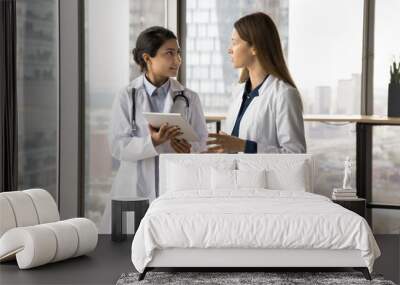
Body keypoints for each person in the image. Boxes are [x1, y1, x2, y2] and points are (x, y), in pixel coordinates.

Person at [100, 26, 208, 233]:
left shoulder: (189, 98)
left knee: (171, 246)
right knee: (128, 251)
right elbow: (117, 146)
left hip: (175, 188)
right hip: (133, 188)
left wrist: (190, 149)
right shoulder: (126, 96)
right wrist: (153, 142)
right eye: (169, 53)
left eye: (178, 53)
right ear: (147, 58)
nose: (177, 60)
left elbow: (202, 142)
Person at [207, 12, 306, 154]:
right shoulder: (238, 91)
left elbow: (295, 154)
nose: (229, 49)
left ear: (254, 48)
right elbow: (234, 147)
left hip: (263, 176)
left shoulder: (284, 94)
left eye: (235, 43)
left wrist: (244, 146)